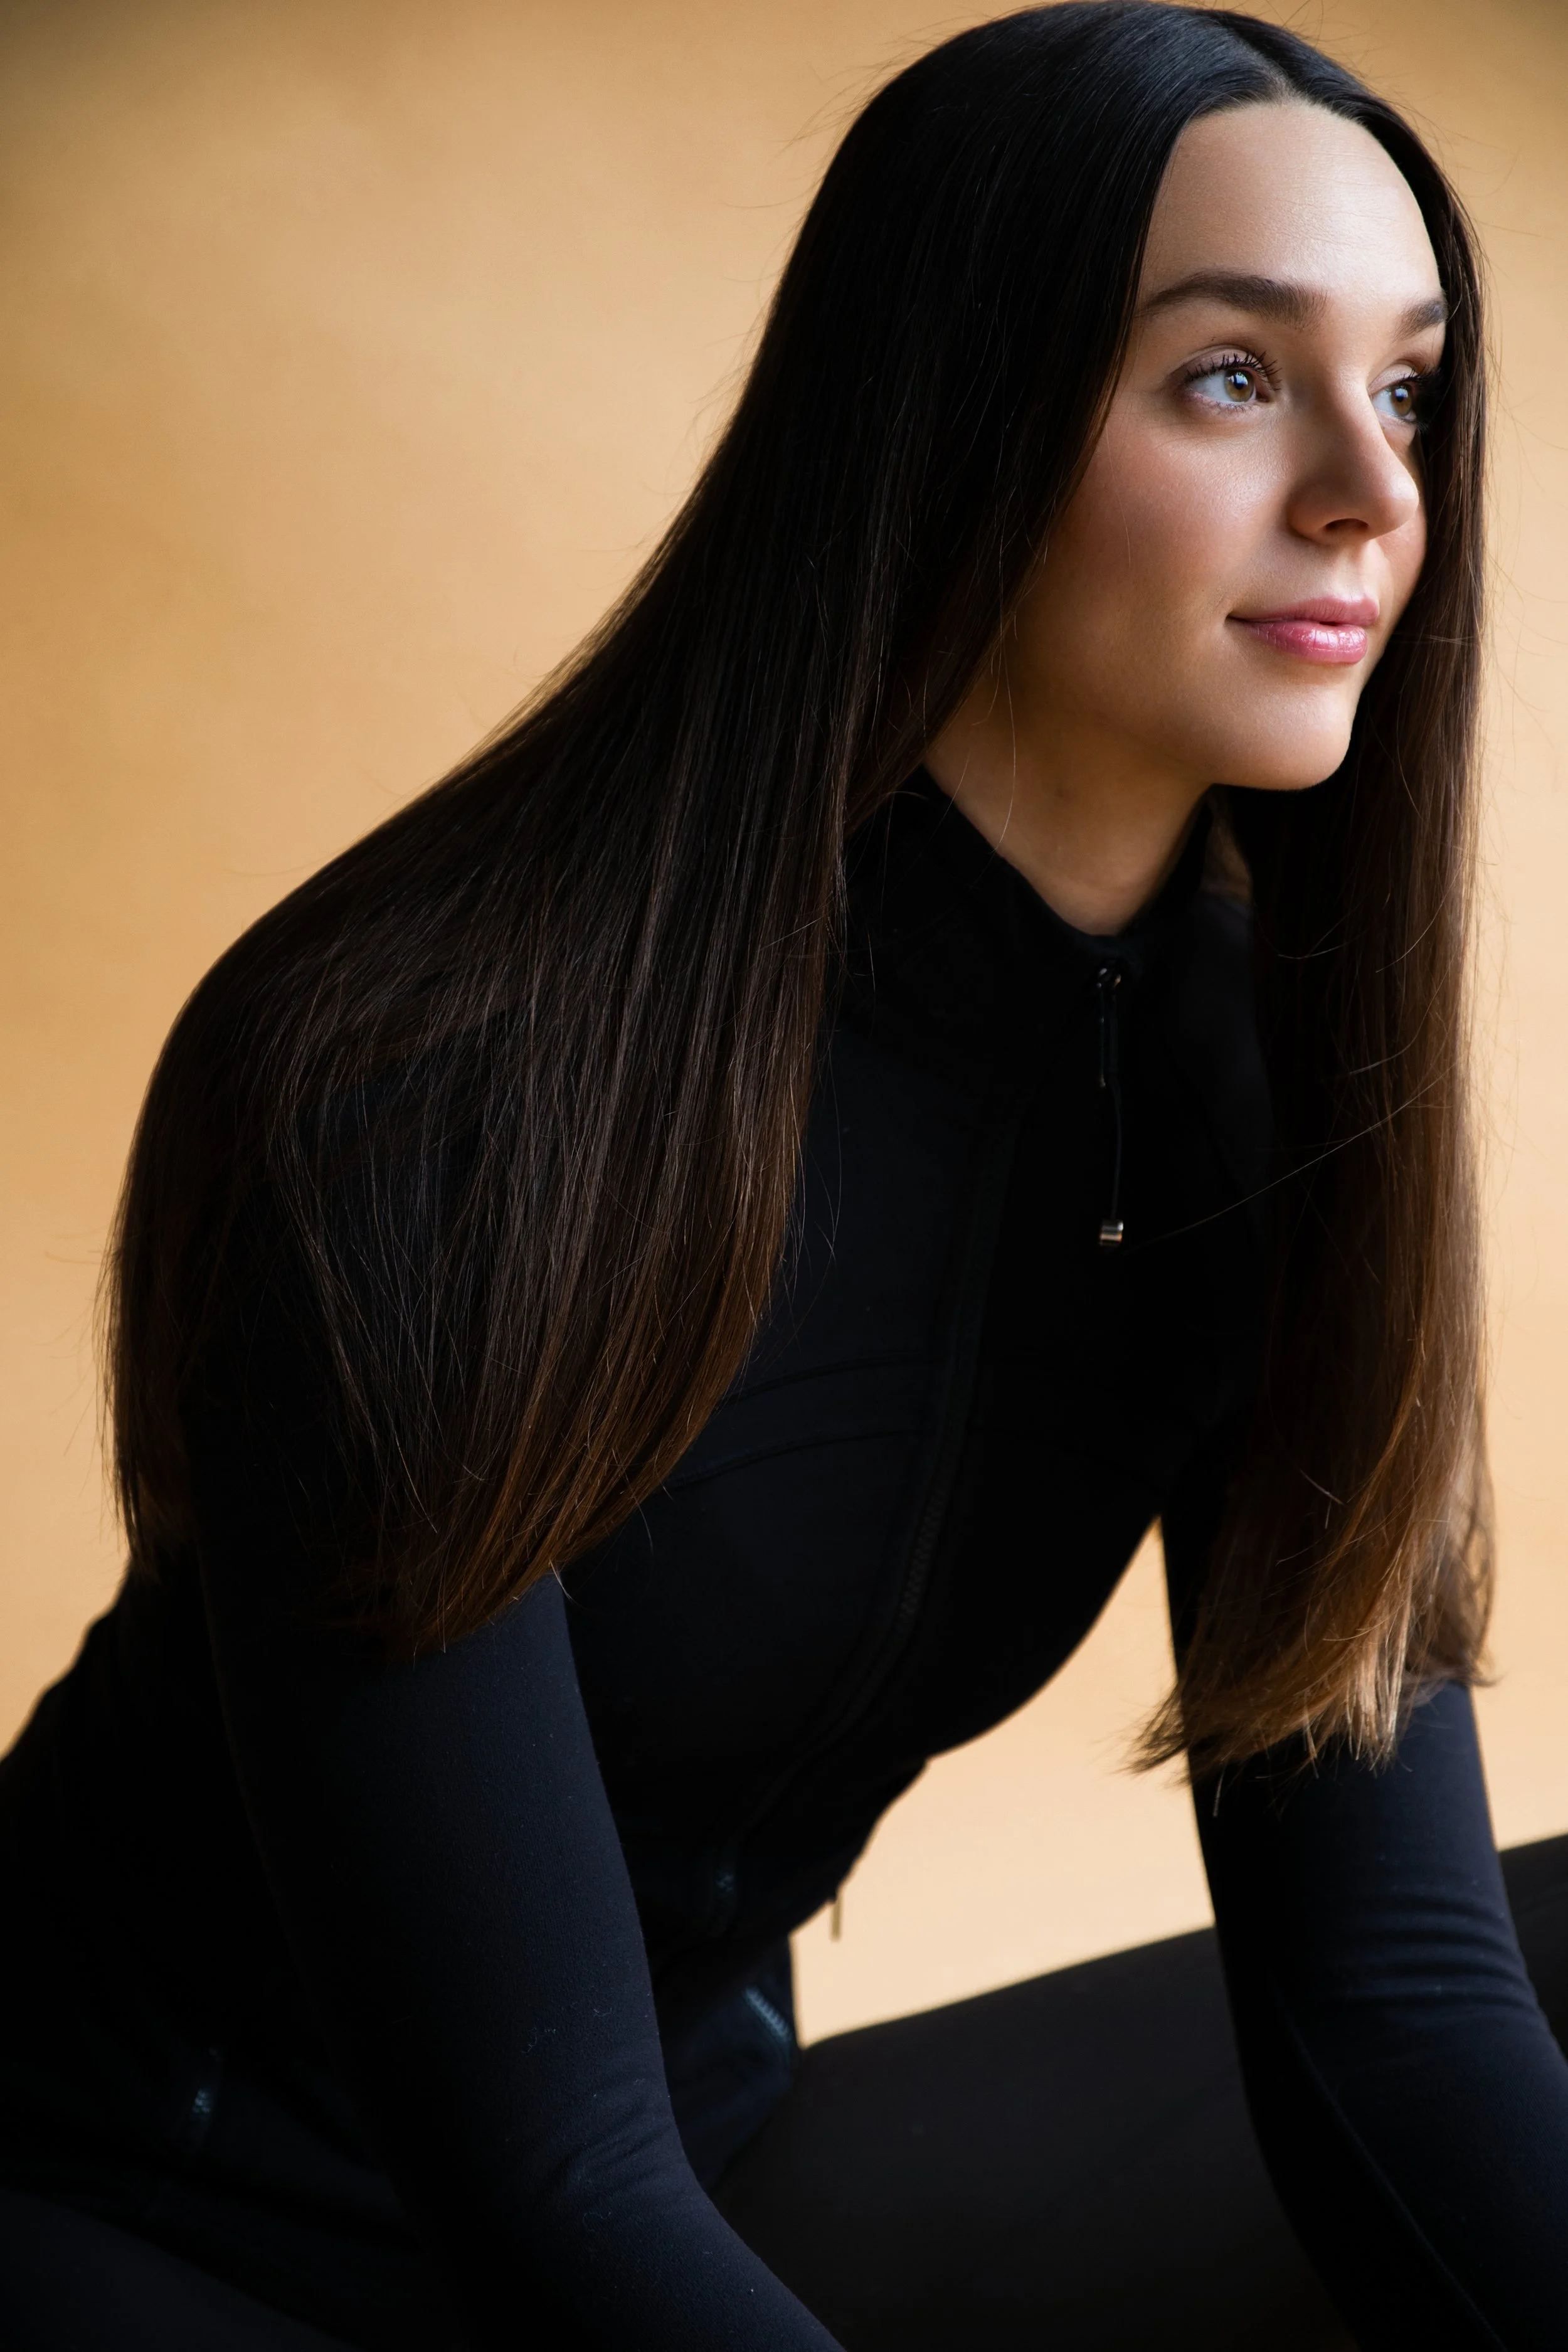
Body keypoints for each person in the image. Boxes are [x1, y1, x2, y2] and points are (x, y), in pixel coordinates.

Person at [4, 6, 1567, 2346]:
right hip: (165, 2228)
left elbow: (1396, 2005)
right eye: (1230, 378)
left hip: (702, 2189)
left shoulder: (1262, 1084)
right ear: (951, 427)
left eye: (1410, 384)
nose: (1371, 487)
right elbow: (540, 2176)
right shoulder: (421, 1076)